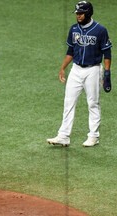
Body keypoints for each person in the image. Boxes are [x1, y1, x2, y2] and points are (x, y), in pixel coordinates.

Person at [47, 1, 112, 147]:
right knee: (68, 102)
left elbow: (107, 53)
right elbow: (70, 51)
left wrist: (107, 73)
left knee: (93, 103)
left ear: (88, 13)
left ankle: (94, 136)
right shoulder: (74, 29)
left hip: (93, 69)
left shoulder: (100, 30)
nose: (78, 16)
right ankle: (64, 135)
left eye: (81, 13)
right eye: (77, 13)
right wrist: (63, 67)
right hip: (76, 69)